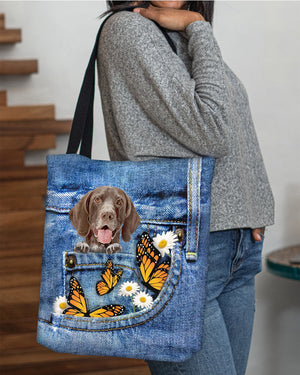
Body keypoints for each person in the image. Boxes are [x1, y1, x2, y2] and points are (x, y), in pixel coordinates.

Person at [96, 1, 275, 374]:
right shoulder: (129, 30)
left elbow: (233, 122)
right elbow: (212, 130)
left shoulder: (177, 32)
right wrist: (199, 26)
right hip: (180, 254)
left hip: (234, 250)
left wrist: (249, 210)